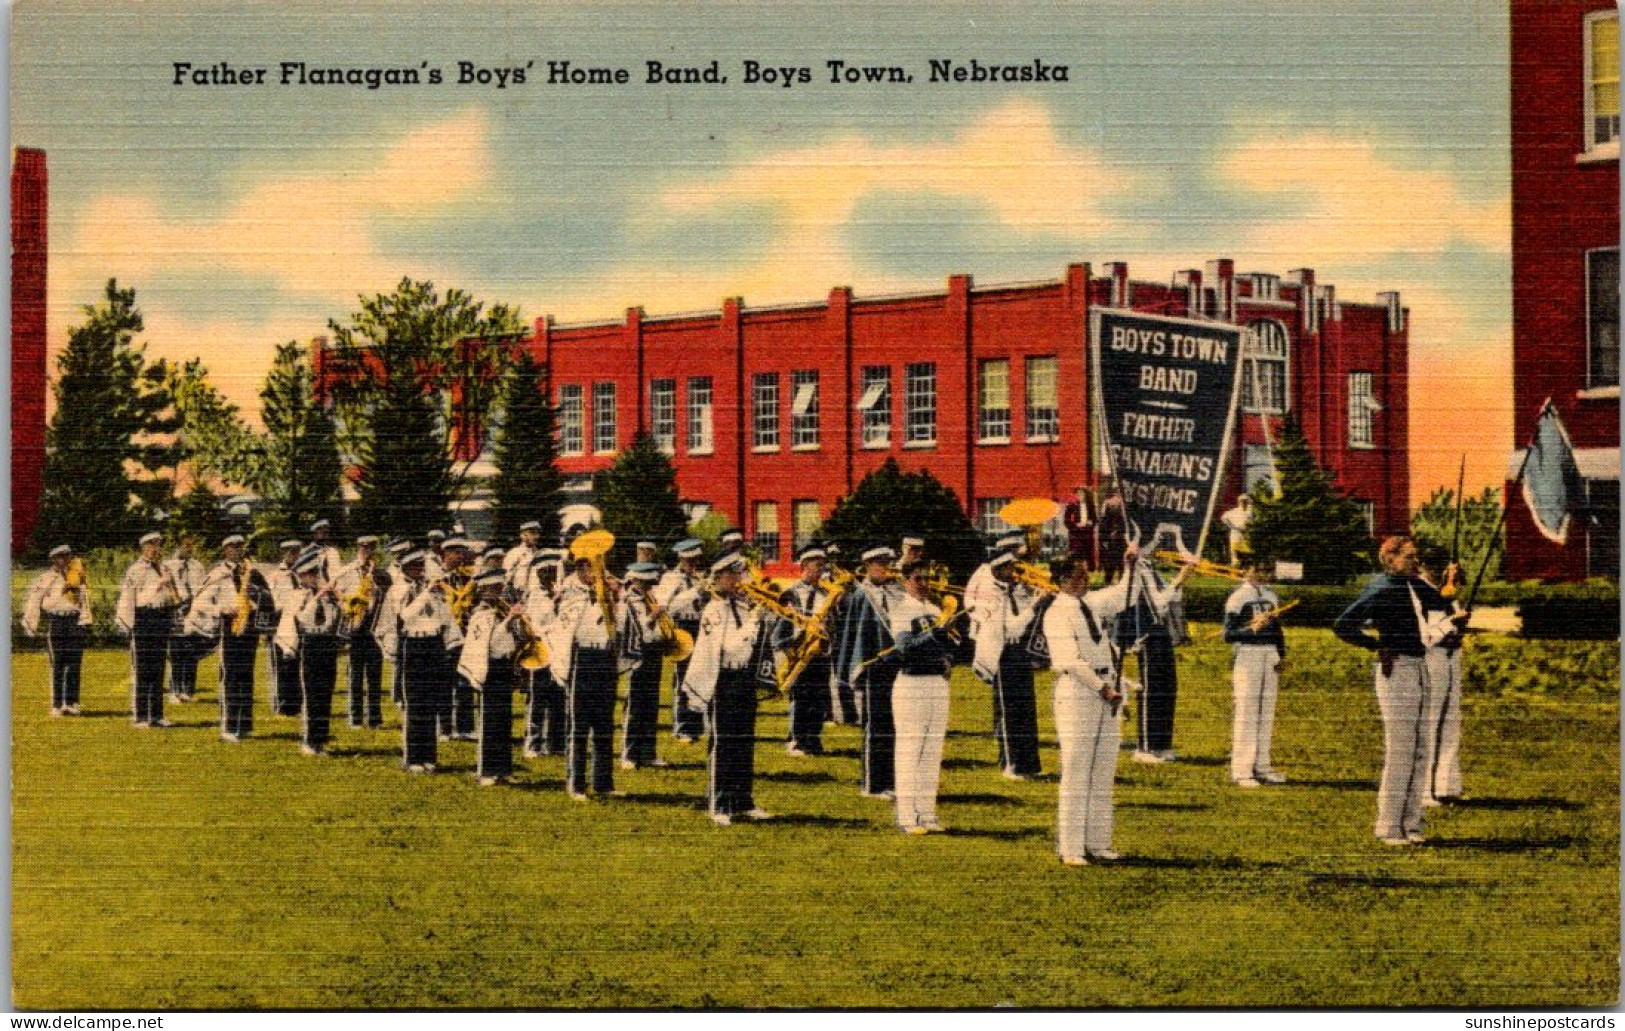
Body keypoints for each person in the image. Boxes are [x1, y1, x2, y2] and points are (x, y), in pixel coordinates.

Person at [1333, 534, 1458, 846]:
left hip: (1420, 666)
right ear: (1389, 560)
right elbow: (1343, 624)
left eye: (1415, 556)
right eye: (1408, 557)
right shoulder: (1382, 588)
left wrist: (1450, 581)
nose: (1415, 562)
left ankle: (1412, 824)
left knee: (1420, 748)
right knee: (1401, 750)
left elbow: (1440, 602)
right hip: (1396, 669)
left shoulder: (1412, 585)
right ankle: (1388, 826)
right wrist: (1377, 645)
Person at [1044, 554, 1132, 866]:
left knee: (1103, 768)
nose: (1086, 580)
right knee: (1077, 768)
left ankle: (1098, 841)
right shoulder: (1056, 613)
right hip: (1079, 691)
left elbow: (1125, 593)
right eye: (1079, 575)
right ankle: (1071, 847)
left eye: (1086, 575)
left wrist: (1131, 563)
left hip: (1105, 687)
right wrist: (1103, 689)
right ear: (1063, 579)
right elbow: (1069, 659)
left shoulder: (1091, 605)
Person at [682, 551, 772, 825]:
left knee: (745, 741)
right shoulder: (715, 610)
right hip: (724, 680)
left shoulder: (744, 606)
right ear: (720, 577)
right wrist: (755, 620)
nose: (739, 580)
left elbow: (752, 646)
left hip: (744, 677)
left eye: (740, 573)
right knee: (724, 743)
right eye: (733, 574)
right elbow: (730, 645)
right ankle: (720, 804)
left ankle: (743, 801)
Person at [889, 560, 965, 834]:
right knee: (910, 750)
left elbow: (953, 646)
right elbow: (904, 648)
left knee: (933, 752)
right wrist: (936, 633)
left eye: (927, 578)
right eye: (918, 579)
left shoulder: (935, 610)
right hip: (912, 683)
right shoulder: (901, 610)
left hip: (936, 683)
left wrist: (948, 655)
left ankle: (927, 813)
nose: (924, 584)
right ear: (906, 581)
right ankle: (907, 815)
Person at [380, 550, 460, 773]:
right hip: (413, 644)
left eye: (420, 566)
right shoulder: (399, 589)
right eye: (414, 567)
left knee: (431, 701)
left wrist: (440, 599)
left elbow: (443, 617)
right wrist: (427, 593)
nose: (419, 571)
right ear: (405, 568)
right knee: (415, 702)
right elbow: (405, 616)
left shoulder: (429, 589)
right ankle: (413, 758)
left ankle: (429, 756)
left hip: (433, 643)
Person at [551, 550, 622, 800]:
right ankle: (576, 784)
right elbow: (564, 627)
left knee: (604, 724)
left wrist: (614, 597)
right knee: (579, 726)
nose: (596, 574)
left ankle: (603, 782)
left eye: (598, 569)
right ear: (580, 571)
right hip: (582, 659)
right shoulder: (571, 596)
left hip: (604, 658)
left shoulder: (609, 595)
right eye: (591, 569)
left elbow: (619, 625)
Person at [193, 534, 273, 743]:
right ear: (225, 550)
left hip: (250, 627)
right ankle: (229, 727)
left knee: (246, 674)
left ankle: (244, 725)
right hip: (229, 626)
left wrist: (255, 600)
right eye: (233, 547)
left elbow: (268, 597)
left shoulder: (252, 572)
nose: (237, 551)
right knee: (230, 675)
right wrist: (222, 609)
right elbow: (200, 603)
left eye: (240, 547)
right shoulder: (218, 573)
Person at [1117, 546, 1193, 763]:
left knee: (1167, 689)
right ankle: (1146, 747)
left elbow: (1171, 598)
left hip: (1162, 632)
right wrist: (1179, 578)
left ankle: (1162, 744)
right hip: (1147, 635)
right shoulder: (1138, 568)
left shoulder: (1151, 567)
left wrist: (1181, 578)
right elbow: (1157, 604)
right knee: (1151, 690)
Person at [970, 552, 1042, 778]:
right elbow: (1011, 628)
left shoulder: (1017, 588)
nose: (1015, 572)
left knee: (1026, 710)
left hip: (1019, 652)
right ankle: (1010, 764)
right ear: (999, 569)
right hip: (1001, 655)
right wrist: (1036, 604)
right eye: (1010, 568)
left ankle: (1028, 765)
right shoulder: (990, 593)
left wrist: (1033, 596)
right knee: (1009, 711)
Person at [1222, 561, 1288, 788]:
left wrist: (1281, 656)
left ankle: (1262, 766)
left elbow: (1278, 631)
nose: (1263, 575)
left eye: (1267, 570)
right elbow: (1229, 634)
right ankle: (1242, 770)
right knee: (1247, 711)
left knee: (1266, 711)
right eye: (1259, 570)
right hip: (1248, 655)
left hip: (1269, 655)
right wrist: (1250, 629)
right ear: (1247, 571)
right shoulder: (1237, 598)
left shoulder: (1271, 597)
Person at [460, 570, 524, 785]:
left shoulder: (500, 610)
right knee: (490, 722)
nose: (499, 593)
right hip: (490, 668)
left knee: (504, 720)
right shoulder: (481, 614)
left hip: (504, 665)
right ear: (483, 590)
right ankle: (487, 771)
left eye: (500, 588)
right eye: (494, 589)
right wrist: (510, 620)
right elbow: (492, 640)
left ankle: (503, 769)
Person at [277, 549, 343, 756]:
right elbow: (301, 619)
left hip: (327, 644)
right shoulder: (298, 595)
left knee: (326, 694)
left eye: (316, 572)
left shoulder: (327, 595)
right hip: (310, 645)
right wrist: (317, 598)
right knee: (312, 694)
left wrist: (335, 601)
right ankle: (309, 740)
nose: (315, 577)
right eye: (310, 574)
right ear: (301, 576)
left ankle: (321, 740)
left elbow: (335, 619)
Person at [775, 543, 837, 757]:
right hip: (799, 650)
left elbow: (833, 622)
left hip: (819, 651)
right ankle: (796, 739)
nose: (820, 568)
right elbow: (782, 623)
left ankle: (813, 738)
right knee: (800, 696)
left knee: (819, 696)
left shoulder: (827, 593)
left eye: (822, 564)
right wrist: (787, 647)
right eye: (816, 564)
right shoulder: (791, 592)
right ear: (804, 565)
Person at [854, 545, 905, 798]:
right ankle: (873, 784)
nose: (886, 568)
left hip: (896, 664)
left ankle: (891, 781)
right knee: (876, 725)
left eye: (889, 562)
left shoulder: (896, 592)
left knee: (894, 725)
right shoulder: (862, 594)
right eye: (881, 563)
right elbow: (857, 636)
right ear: (868, 566)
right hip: (874, 667)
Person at [116, 531, 180, 728]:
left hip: (161, 618)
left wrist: (172, 594)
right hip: (144, 618)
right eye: (151, 545)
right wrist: (158, 585)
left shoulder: (163, 568)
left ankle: (157, 714)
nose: (155, 549)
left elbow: (172, 595)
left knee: (158, 668)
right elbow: (136, 599)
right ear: (143, 547)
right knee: (143, 669)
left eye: (158, 545)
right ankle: (141, 716)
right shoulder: (136, 570)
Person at [1419, 556, 1468, 806]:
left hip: (1452, 655)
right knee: (1430, 722)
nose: (1440, 572)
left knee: (1450, 721)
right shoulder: (1419, 593)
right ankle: (1425, 789)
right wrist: (1452, 623)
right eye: (1435, 567)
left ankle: (1446, 784)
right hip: (1432, 657)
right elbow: (1426, 633)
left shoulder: (1446, 592)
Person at [23, 544, 92, 715]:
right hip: (57, 621)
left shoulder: (76, 577)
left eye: (68, 556)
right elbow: (35, 600)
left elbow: (84, 600)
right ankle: (57, 704)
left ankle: (72, 702)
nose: (66, 560)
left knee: (74, 662)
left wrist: (86, 619)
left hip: (74, 621)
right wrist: (31, 624)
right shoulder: (46, 578)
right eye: (62, 557)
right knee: (58, 663)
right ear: (54, 559)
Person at [654, 538, 708, 743]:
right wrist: (695, 593)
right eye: (690, 560)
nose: (694, 564)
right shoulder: (670, 578)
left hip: (699, 627)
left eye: (696, 560)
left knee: (699, 677)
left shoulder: (697, 579)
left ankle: (697, 724)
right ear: (681, 558)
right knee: (683, 678)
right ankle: (683, 726)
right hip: (681, 627)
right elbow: (667, 606)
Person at [333, 535, 390, 729]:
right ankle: (355, 717)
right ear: (359, 549)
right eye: (364, 549)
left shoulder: (381, 573)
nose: (368, 552)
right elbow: (337, 594)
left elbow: (387, 596)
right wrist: (347, 606)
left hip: (374, 626)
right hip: (355, 626)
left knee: (375, 675)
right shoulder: (348, 571)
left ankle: (375, 717)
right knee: (355, 674)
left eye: (371, 549)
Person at [619, 562, 668, 769]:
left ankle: (648, 753)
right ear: (636, 581)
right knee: (636, 706)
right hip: (639, 654)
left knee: (651, 705)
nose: (650, 587)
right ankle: (629, 754)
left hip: (654, 652)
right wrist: (654, 616)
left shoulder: (650, 597)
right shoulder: (628, 601)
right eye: (647, 583)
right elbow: (638, 630)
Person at [522, 550, 567, 757]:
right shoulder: (534, 595)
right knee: (538, 697)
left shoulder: (560, 591)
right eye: (544, 571)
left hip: (558, 647)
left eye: (551, 571)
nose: (548, 575)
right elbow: (535, 623)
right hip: (541, 647)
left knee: (558, 697)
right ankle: (533, 743)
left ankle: (556, 743)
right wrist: (554, 604)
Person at [437, 538, 478, 741]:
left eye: (462, 552)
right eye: (456, 552)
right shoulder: (437, 578)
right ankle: (444, 727)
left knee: (465, 682)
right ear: (446, 554)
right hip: (444, 636)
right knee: (443, 683)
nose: (460, 556)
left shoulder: (467, 578)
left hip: (465, 635)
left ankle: (465, 726)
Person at [164, 534, 207, 703]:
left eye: (191, 546)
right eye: (186, 545)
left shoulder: (198, 566)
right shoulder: (167, 566)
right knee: (176, 651)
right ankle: (175, 691)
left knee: (191, 651)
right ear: (178, 546)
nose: (189, 549)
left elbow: (203, 588)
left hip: (194, 610)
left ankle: (188, 691)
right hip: (176, 609)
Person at [266, 539, 305, 718]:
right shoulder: (276, 575)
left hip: (299, 623)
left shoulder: (303, 574)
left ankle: (296, 704)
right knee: (281, 665)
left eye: (296, 552)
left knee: (297, 665)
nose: (293, 555)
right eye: (290, 552)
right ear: (284, 553)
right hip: (281, 623)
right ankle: (281, 704)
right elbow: (271, 601)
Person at [1096, 485, 1128, 580]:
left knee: (1122, 562)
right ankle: (1108, 579)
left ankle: (1120, 579)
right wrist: (1104, 538)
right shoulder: (1108, 503)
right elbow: (1103, 521)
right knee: (1110, 561)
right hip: (1111, 538)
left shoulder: (1126, 505)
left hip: (1123, 538)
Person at [504, 520, 544, 596]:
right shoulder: (514, 553)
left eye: (538, 533)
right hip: (519, 595)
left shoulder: (540, 554)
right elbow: (506, 579)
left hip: (537, 595)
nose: (537, 536)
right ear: (523, 535)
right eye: (532, 533)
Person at [1219, 495, 1254, 567]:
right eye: (1242, 501)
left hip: (1245, 534)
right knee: (1234, 552)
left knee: (1247, 552)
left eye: (1245, 501)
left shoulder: (1249, 512)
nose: (1244, 503)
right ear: (1239, 502)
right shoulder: (1235, 511)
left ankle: (1244, 567)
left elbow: (1251, 518)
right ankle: (1234, 566)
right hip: (1236, 533)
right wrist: (1232, 526)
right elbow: (1223, 517)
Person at [1063, 485, 1095, 560]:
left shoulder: (1090, 506)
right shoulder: (1071, 505)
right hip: (1076, 534)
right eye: (1078, 494)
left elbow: (1095, 520)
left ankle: (1089, 569)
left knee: (1088, 553)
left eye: (1082, 493)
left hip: (1087, 533)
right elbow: (1066, 520)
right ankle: (1075, 567)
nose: (1080, 495)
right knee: (1076, 553)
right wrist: (1075, 525)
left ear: (1085, 494)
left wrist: (1091, 523)